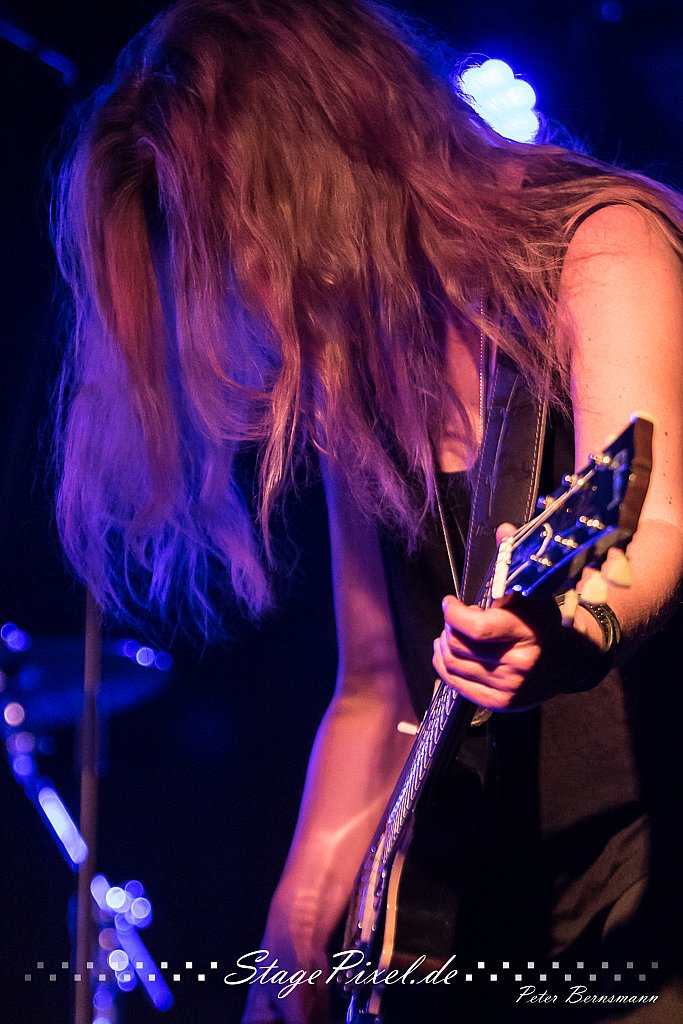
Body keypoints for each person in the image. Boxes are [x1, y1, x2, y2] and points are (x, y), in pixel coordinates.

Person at [52, 1, 683, 1021]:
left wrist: (573, 632)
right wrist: (295, 932)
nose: (237, 290)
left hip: (644, 894)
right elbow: (375, 689)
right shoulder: (362, 359)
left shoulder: (599, 245)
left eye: (233, 241)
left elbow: (650, 522)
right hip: (480, 918)